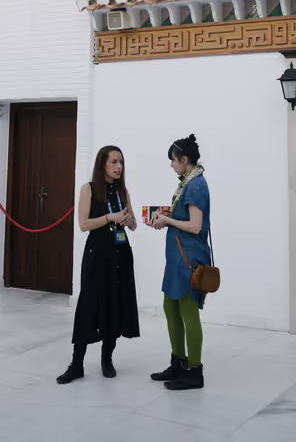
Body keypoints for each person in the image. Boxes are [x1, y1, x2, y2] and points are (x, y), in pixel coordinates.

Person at [56, 146, 140, 384]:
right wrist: (109, 218)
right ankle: (76, 363)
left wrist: (130, 220)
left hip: (120, 255)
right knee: (89, 304)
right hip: (97, 254)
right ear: (102, 164)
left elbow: (132, 226)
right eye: (114, 162)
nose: (118, 167)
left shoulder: (123, 191)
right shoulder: (89, 189)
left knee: (114, 303)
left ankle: (107, 359)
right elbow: (83, 224)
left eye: (121, 162)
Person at [149, 134, 210, 390]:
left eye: (173, 160)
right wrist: (164, 216)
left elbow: (195, 227)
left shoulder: (196, 185)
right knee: (170, 308)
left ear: (185, 160)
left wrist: (168, 221)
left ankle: (194, 372)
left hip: (189, 259)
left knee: (188, 313)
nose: (171, 165)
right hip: (177, 258)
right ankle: (178, 362)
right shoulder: (187, 182)